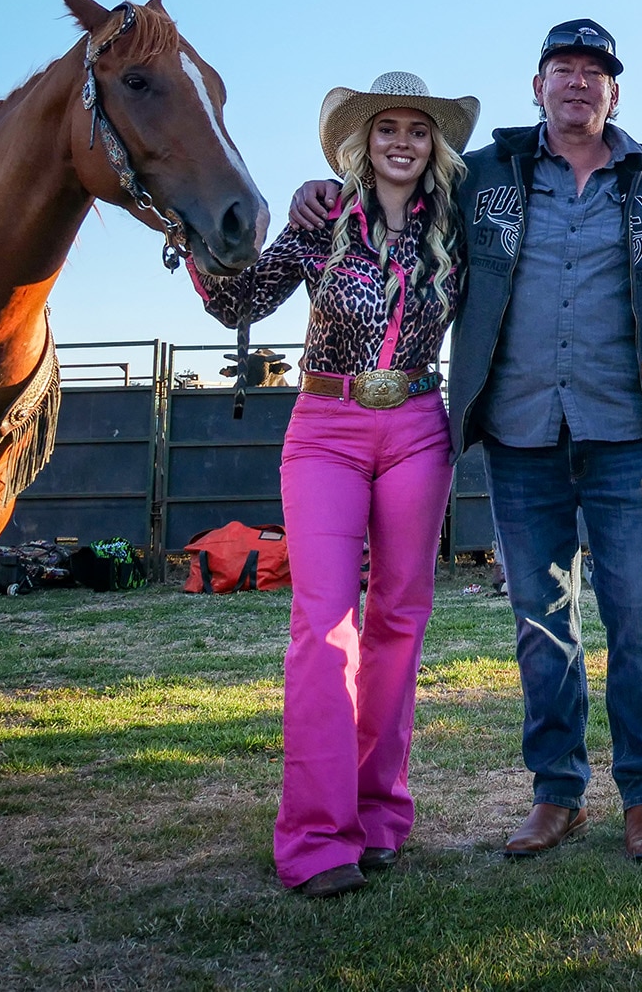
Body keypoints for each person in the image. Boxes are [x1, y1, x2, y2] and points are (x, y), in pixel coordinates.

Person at [288, 20, 642, 864]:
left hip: (628, 432)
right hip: (520, 434)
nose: (578, 83)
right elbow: (393, 195)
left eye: (595, 72)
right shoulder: (484, 179)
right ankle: (557, 795)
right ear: (537, 87)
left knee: (641, 620)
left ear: (614, 92)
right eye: (562, 70)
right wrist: (323, 190)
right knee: (541, 624)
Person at [193, 71, 476, 898]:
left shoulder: (456, 227)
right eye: (385, 128)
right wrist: (198, 234)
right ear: (361, 142)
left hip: (420, 427)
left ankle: (380, 816)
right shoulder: (322, 223)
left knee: (400, 621)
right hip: (327, 429)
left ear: (434, 147)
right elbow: (240, 298)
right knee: (324, 624)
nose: (401, 141)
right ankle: (316, 837)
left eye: (416, 130)